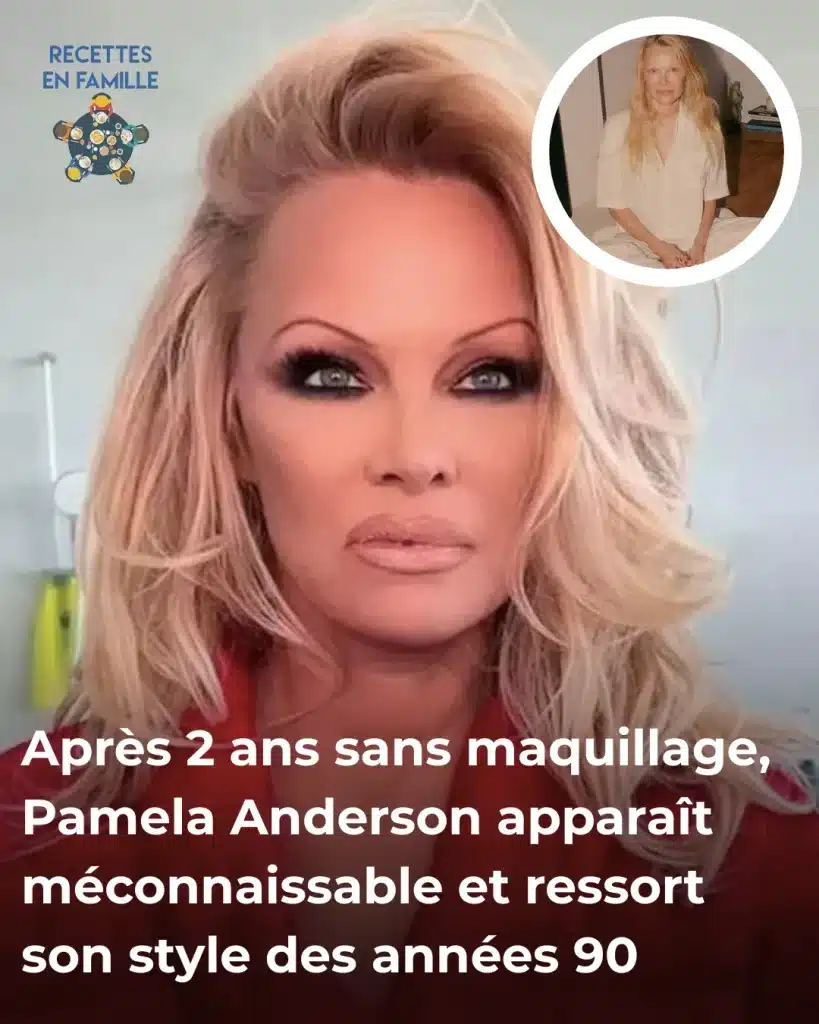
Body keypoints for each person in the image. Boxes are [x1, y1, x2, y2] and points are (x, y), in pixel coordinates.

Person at [1, 16, 817, 1024]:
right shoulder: (29, 850)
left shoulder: (756, 867)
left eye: (493, 376)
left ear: (578, 420)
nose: (417, 454)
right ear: (228, 419)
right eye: (330, 374)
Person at [594, 35, 763, 269]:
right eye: (654, 71)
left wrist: (699, 247)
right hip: (640, 242)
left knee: (767, 239)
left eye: (673, 70)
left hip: (699, 237)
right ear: (643, 77)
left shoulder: (706, 124)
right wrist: (662, 249)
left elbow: (711, 196)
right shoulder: (617, 127)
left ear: (687, 74)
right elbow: (616, 206)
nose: (664, 80)